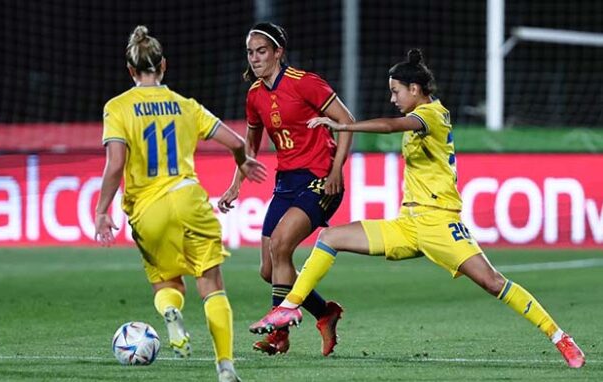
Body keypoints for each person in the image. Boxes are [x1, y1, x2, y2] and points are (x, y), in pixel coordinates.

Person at [248, 48, 586, 369]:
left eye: (396, 91)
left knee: (492, 282)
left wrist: (342, 126)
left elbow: (390, 126)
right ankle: (290, 307)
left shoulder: (431, 114)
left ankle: (560, 337)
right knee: (331, 236)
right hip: (407, 224)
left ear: (415, 88)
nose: (393, 99)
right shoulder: (417, 113)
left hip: (439, 224)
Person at [94, 25, 267, 382]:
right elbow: (236, 141)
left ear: (130, 70)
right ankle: (225, 366)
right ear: (164, 66)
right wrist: (242, 161)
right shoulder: (186, 106)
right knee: (211, 282)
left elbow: (114, 165)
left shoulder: (118, 108)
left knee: (167, 284)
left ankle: (171, 314)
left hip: (148, 208)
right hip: (190, 199)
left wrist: (101, 211)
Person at [217, 22, 354, 356]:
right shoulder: (254, 95)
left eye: (261, 51)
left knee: (281, 245)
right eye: (250, 52)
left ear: (278, 52)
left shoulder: (305, 83)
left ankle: (278, 333)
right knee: (269, 269)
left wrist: (337, 170)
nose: (255, 58)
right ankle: (325, 312)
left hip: (320, 178)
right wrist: (235, 184)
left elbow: (347, 121)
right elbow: (250, 144)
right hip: (286, 183)